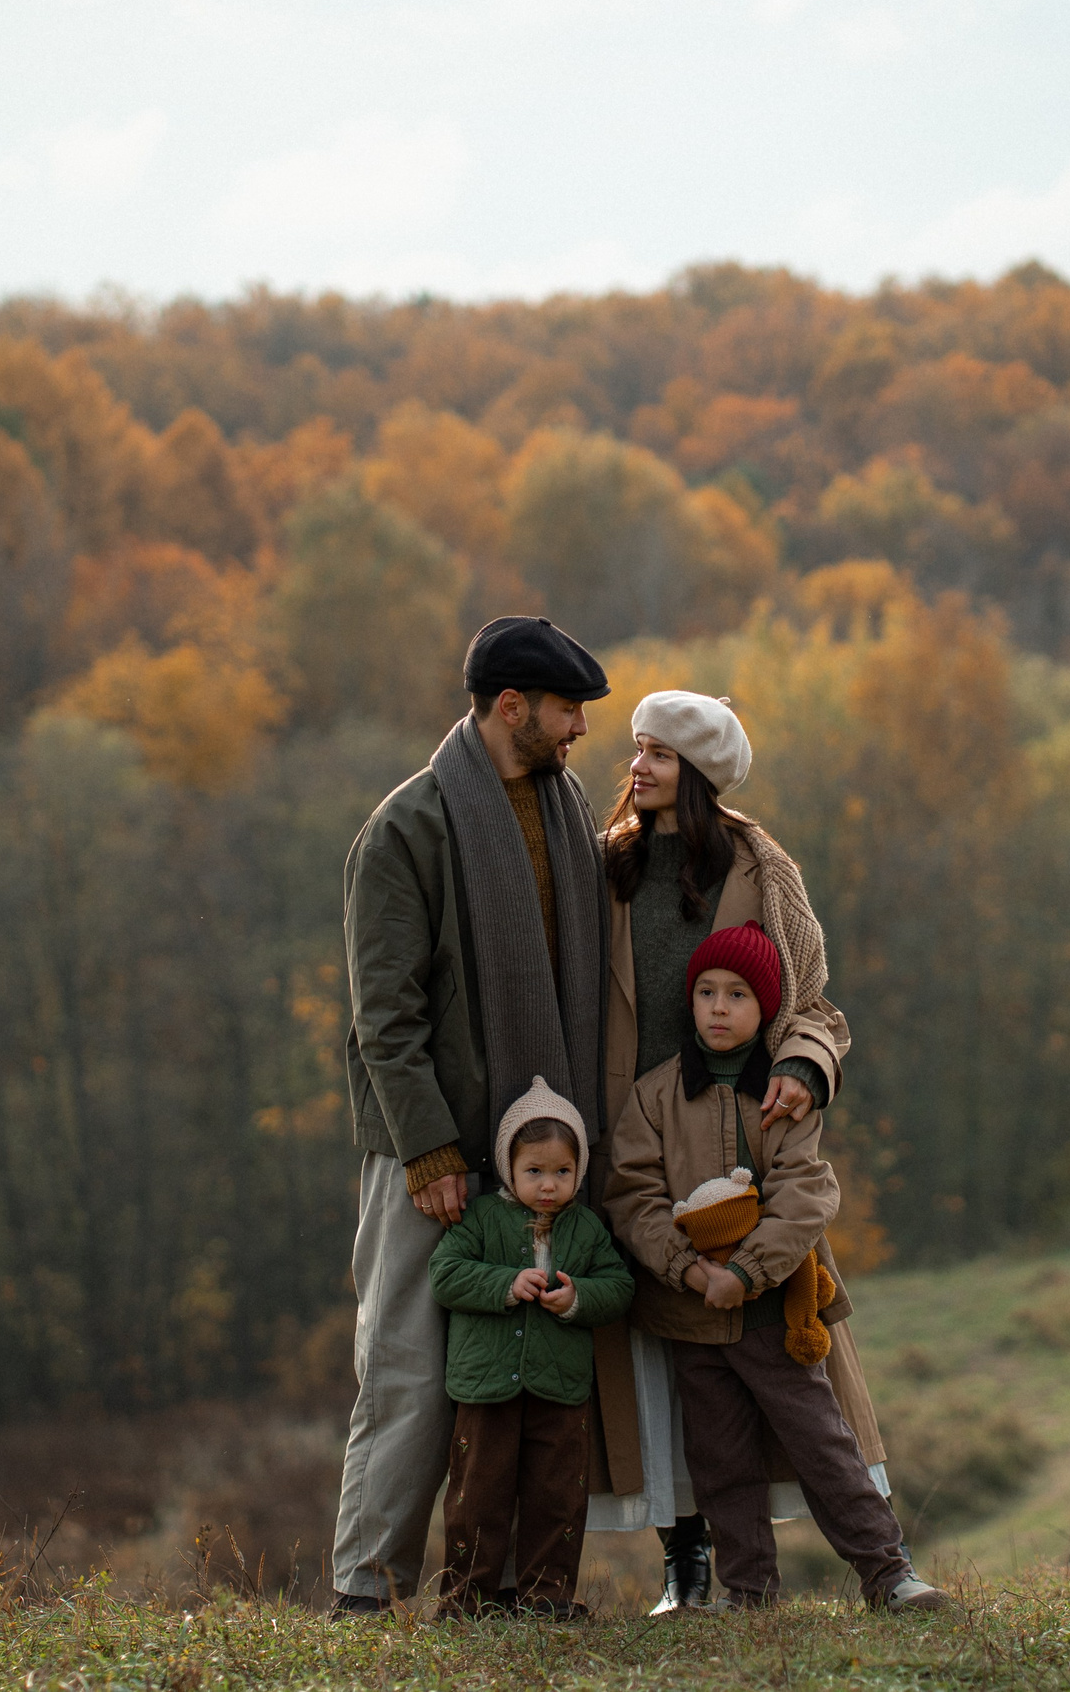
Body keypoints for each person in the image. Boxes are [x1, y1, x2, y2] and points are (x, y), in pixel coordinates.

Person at [583, 691, 889, 1613]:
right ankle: (686, 1567)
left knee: (775, 1368)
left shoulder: (763, 867)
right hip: (637, 1132)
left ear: (700, 772)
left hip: (742, 1135)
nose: (637, 767)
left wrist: (803, 1065)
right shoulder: (607, 862)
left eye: (658, 754)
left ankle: (873, 1563)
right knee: (661, 1367)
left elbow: (812, 1001)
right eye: (637, 749)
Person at [330, 616, 612, 1614]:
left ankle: (500, 1585)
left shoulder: (568, 811)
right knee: (407, 1369)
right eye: (567, 708)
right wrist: (430, 1149)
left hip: (541, 1149)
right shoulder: (406, 829)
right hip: (433, 1148)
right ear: (511, 705)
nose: (580, 728)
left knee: (518, 1369)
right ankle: (365, 1590)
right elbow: (385, 1017)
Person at [606, 924, 947, 1611]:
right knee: (720, 1460)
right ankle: (750, 1593)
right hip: (691, 1316)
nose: (719, 1007)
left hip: (774, 1313)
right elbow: (632, 1195)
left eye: (737, 995)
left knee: (823, 1445)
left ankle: (889, 1573)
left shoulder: (784, 1094)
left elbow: (805, 1191)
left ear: (765, 1008)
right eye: (706, 992)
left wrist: (747, 1272)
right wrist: (690, 1271)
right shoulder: (655, 1094)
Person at [429, 1077, 634, 1617]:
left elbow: (619, 1287)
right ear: (508, 1168)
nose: (548, 1185)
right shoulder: (480, 1218)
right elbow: (444, 1274)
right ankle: (466, 1600)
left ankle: (547, 1597)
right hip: (486, 1387)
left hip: (560, 1388)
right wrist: (504, 1283)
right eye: (534, 1171)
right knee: (477, 1495)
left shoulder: (586, 1229)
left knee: (557, 1495)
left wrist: (577, 1297)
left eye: (562, 1172)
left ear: (579, 1171)